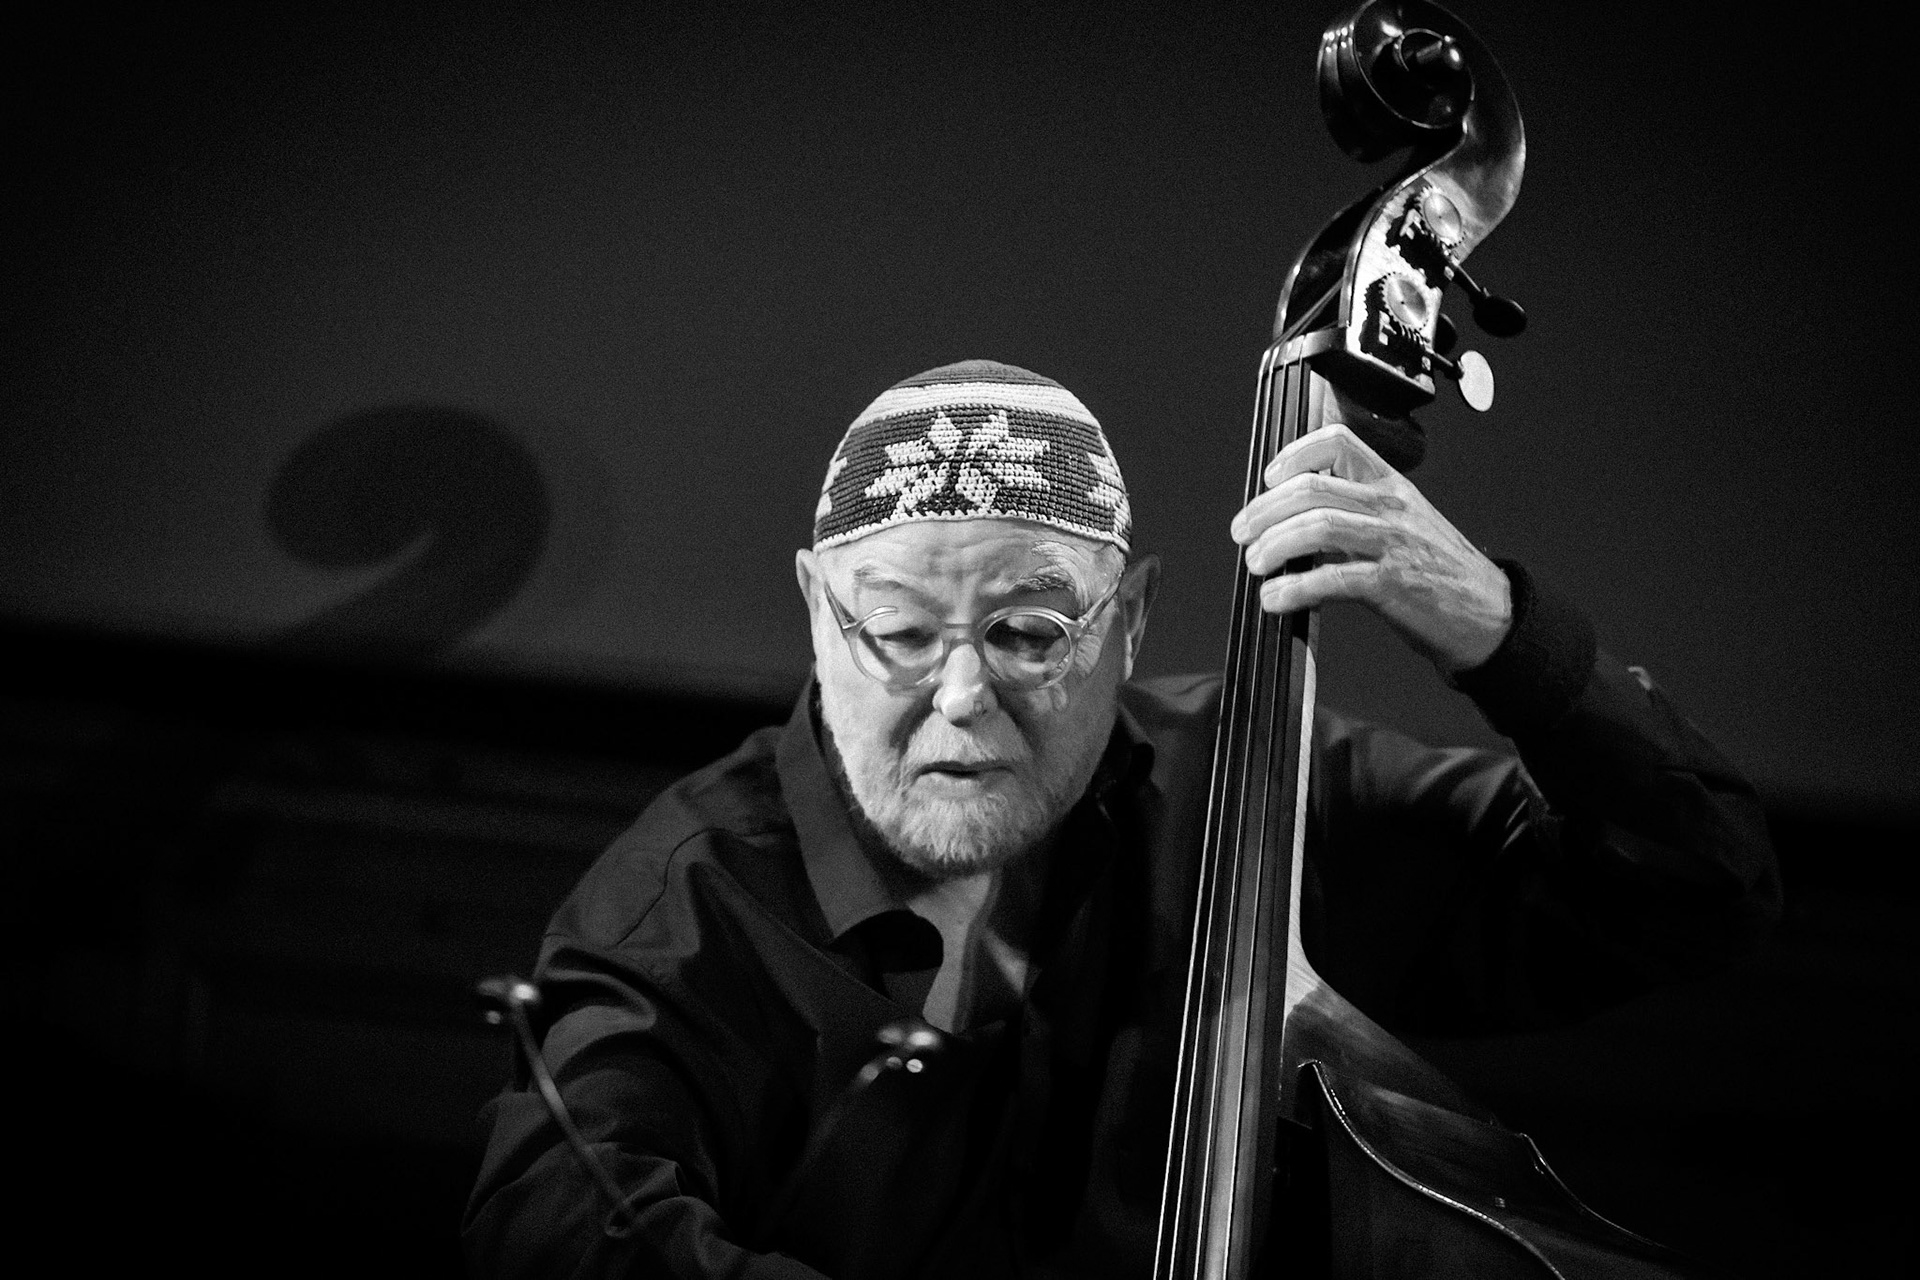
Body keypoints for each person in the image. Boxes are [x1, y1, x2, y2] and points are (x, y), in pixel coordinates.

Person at [463, 360, 1777, 1278]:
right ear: (817, 607)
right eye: (902, 635)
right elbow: (556, 1235)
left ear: (1132, 618)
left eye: (1031, 633)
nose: (963, 697)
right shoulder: (680, 911)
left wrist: (1497, 628)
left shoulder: (1246, 785)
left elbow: (1697, 885)